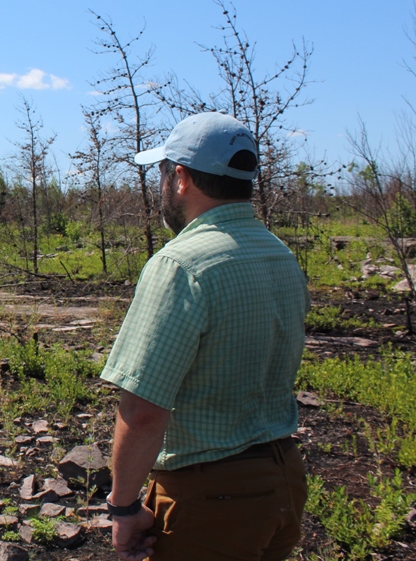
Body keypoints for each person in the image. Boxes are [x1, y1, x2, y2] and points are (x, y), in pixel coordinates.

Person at [99, 112, 310, 561]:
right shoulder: (280, 255)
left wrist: (123, 508)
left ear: (180, 178)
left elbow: (143, 412)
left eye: (162, 173)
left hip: (212, 497)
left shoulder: (180, 265)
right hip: (285, 482)